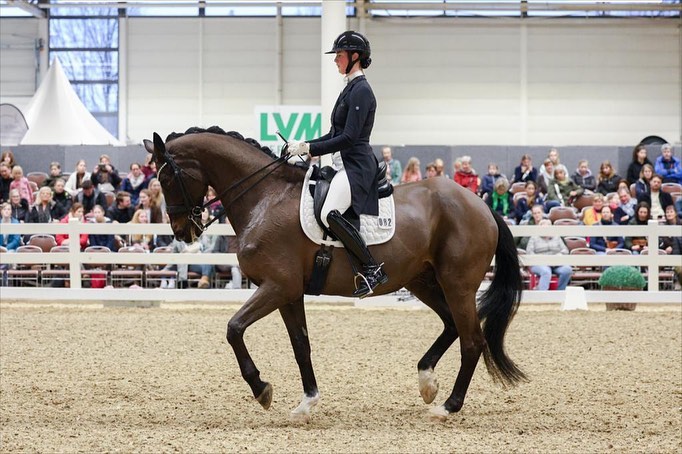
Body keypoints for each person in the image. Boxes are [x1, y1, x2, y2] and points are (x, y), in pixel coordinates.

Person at [284, 30, 386, 297]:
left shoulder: (361, 90)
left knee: (329, 212)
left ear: (355, 57)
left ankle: (372, 268)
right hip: (345, 164)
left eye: (339, 55)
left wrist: (310, 148)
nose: (335, 60)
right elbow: (333, 134)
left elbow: (350, 137)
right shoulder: (349, 88)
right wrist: (304, 145)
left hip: (357, 167)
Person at [526, 219, 572, 290]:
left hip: (556, 263)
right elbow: (529, 252)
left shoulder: (557, 237)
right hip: (539, 263)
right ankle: (543, 297)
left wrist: (558, 256)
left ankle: (559, 293)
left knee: (567, 270)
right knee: (546, 272)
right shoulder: (534, 238)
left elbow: (565, 250)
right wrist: (541, 258)